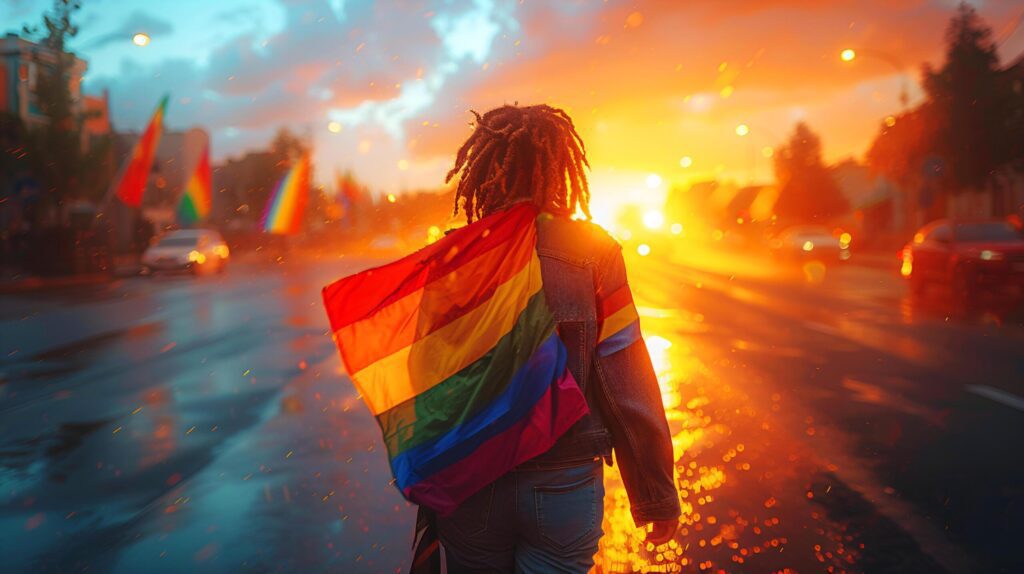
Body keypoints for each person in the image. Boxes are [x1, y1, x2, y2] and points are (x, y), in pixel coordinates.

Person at [433, 104, 680, 573]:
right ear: (560, 168)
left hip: (473, 481)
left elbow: (430, 383)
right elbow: (624, 380)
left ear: (485, 170)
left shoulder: (454, 258)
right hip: (563, 479)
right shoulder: (594, 253)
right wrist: (655, 495)